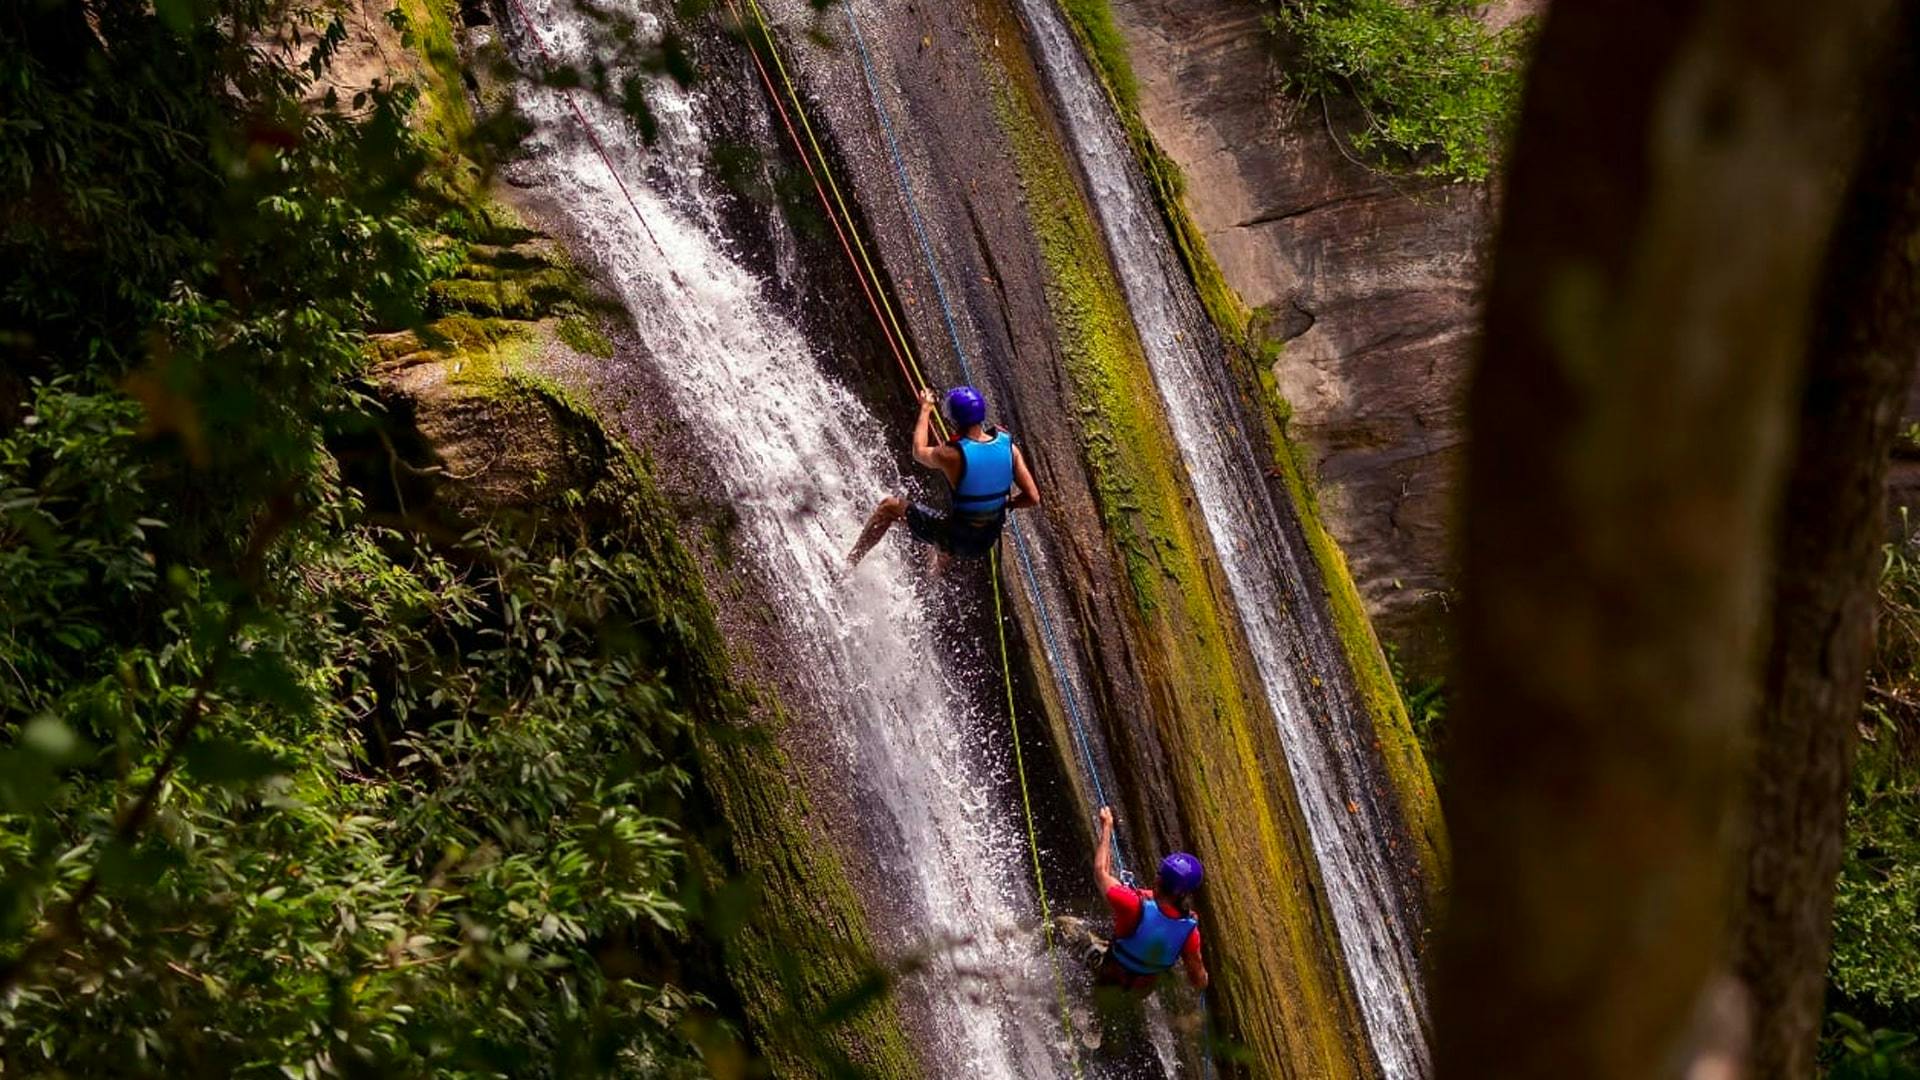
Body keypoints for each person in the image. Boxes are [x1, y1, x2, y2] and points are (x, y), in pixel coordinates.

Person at [845, 385, 1040, 569]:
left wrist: (926, 408)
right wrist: (1004, 504)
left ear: (953, 418)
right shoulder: (1009, 448)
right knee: (943, 526)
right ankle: (935, 571)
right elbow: (1032, 497)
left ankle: (849, 564)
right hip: (985, 541)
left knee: (889, 507)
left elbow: (919, 451)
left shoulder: (951, 455)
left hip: (957, 538)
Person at [1091, 805, 1208, 994]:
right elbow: (1199, 980)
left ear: (1159, 878)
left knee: (1063, 927)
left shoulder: (1131, 903)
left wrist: (1106, 827)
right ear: (1185, 893)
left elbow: (1100, 872)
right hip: (1140, 989)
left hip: (1110, 974)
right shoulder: (1189, 932)